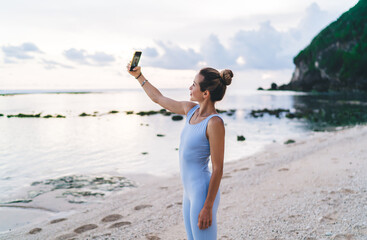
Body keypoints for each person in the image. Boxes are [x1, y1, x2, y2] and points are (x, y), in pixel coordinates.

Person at [126, 63, 233, 240]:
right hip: (188, 192)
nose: (190, 87)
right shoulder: (190, 110)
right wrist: (139, 76)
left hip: (202, 192)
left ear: (205, 93)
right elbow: (158, 98)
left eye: (194, 84)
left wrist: (207, 206)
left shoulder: (215, 123)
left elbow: (218, 168)